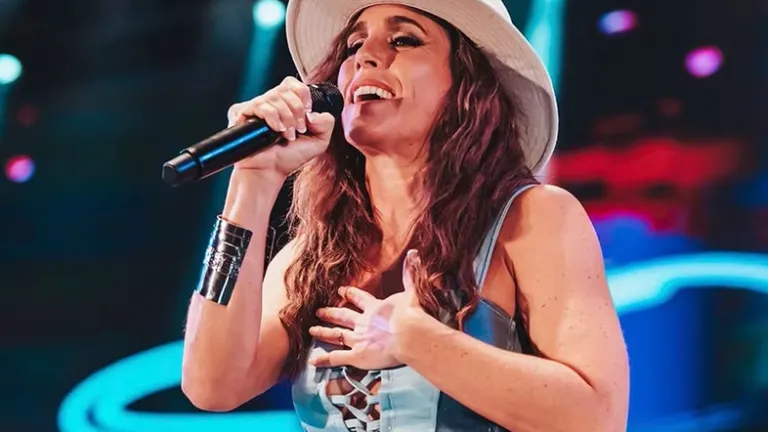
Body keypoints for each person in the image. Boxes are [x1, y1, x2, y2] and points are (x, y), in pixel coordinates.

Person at [181, 0, 630, 431]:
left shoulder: (532, 217)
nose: (366, 56)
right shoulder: (310, 258)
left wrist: (416, 340)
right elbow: (212, 386)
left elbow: (597, 418)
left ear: (467, 85)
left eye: (404, 40)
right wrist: (253, 181)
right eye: (354, 45)